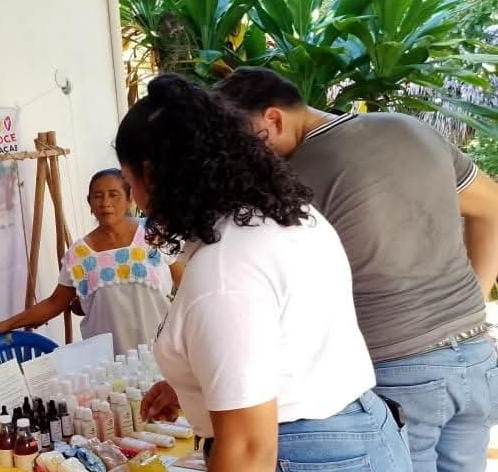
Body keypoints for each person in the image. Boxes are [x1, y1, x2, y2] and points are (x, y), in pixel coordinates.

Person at [120, 75, 411, 471]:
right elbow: (284, 338)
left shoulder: (224, 269)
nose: (133, 200)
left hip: (303, 451)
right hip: (352, 432)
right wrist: (195, 385)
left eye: (127, 182)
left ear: (151, 175)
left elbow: (249, 451)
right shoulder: (287, 217)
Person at [214, 67, 498, 471]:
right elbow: (492, 207)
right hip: (477, 357)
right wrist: (471, 302)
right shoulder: (411, 129)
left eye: (244, 143)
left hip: (400, 368)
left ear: (273, 119)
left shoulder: (295, 178)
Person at [0, 169, 183, 354]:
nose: (105, 202)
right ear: (89, 202)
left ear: (130, 198)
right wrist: (8, 324)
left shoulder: (156, 235)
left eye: (114, 194)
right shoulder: (79, 254)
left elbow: (185, 284)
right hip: (107, 365)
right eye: (98, 196)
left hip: (161, 355)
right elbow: (55, 302)